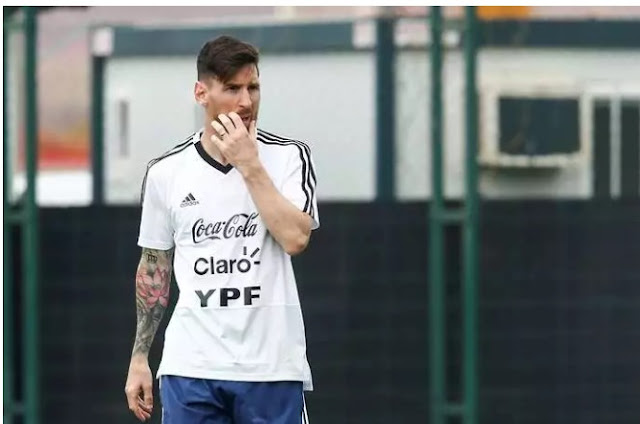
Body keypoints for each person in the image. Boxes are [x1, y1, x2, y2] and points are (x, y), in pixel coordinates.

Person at [124, 35, 318, 424]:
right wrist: (140, 357)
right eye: (232, 88)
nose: (246, 101)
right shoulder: (165, 172)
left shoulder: (289, 156)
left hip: (270, 367)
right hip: (190, 367)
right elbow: (154, 267)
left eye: (253, 87)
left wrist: (249, 164)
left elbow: (296, 239)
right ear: (202, 93)